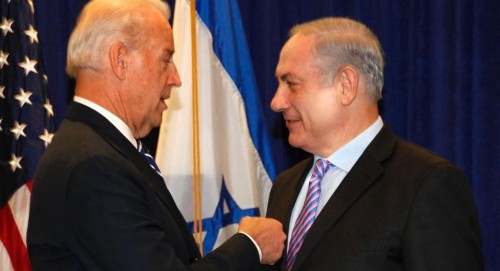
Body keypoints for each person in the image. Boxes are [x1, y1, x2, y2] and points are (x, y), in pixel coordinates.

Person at [27, 0, 285, 270]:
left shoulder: (103, 148)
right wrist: (250, 246)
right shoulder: (92, 165)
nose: (176, 78)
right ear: (120, 60)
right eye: (166, 59)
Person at [262, 17, 483, 271]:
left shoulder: (426, 183)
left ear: (346, 85)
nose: (277, 102)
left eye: (291, 84)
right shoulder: (285, 185)